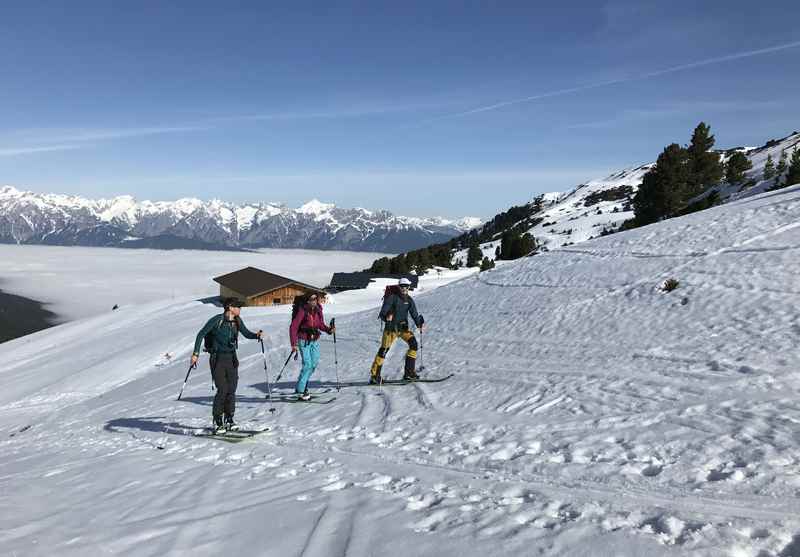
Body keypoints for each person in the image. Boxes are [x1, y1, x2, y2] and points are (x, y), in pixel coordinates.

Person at [191, 298, 263, 432]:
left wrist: (256, 335)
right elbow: (201, 334)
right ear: (230, 307)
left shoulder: (237, 321)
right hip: (217, 358)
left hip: (231, 358)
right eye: (238, 306)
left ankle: (229, 418)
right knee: (222, 389)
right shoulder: (217, 320)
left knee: (232, 389)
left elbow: (246, 333)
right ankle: (217, 420)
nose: (240, 309)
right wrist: (195, 354)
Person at [369, 277, 425, 384]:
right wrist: (387, 316)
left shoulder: (409, 300)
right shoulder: (392, 298)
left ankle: (409, 373)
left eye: (406, 286)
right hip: (391, 329)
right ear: (399, 286)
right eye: (402, 286)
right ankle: (374, 376)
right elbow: (382, 313)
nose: (404, 288)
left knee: (413, 344)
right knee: (384, 350)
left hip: (403, 329)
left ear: (409, 287)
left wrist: (419, 324)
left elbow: (414, 314)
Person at [289, 292, 335, 400]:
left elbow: (320, 324)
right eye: (312, 299)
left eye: (315, 299)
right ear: (307, 301)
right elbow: (293, 327)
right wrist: (293, 344)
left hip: (314, 340)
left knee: (313, 364)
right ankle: (301, 390)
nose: (314, 301)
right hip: (303, 340)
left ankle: (302, 384)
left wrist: (329, 330)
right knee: (307, 364)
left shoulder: (318, 310)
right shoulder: (302, 311)